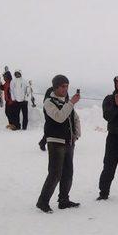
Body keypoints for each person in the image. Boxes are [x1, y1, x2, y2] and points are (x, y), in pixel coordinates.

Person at [36, 75, 81, 213]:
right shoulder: (49, 102)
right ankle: (42, 202)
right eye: (62, 86)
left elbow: (74, 117)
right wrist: (71, 103)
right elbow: (59, 117)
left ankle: (64, 200)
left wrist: (76, 134)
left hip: (69, 142)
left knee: (68, 173)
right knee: (55, 173)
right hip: (55, 142)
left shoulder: (66, 102)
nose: (65, 89)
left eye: (67, 86)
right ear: (55, 87)